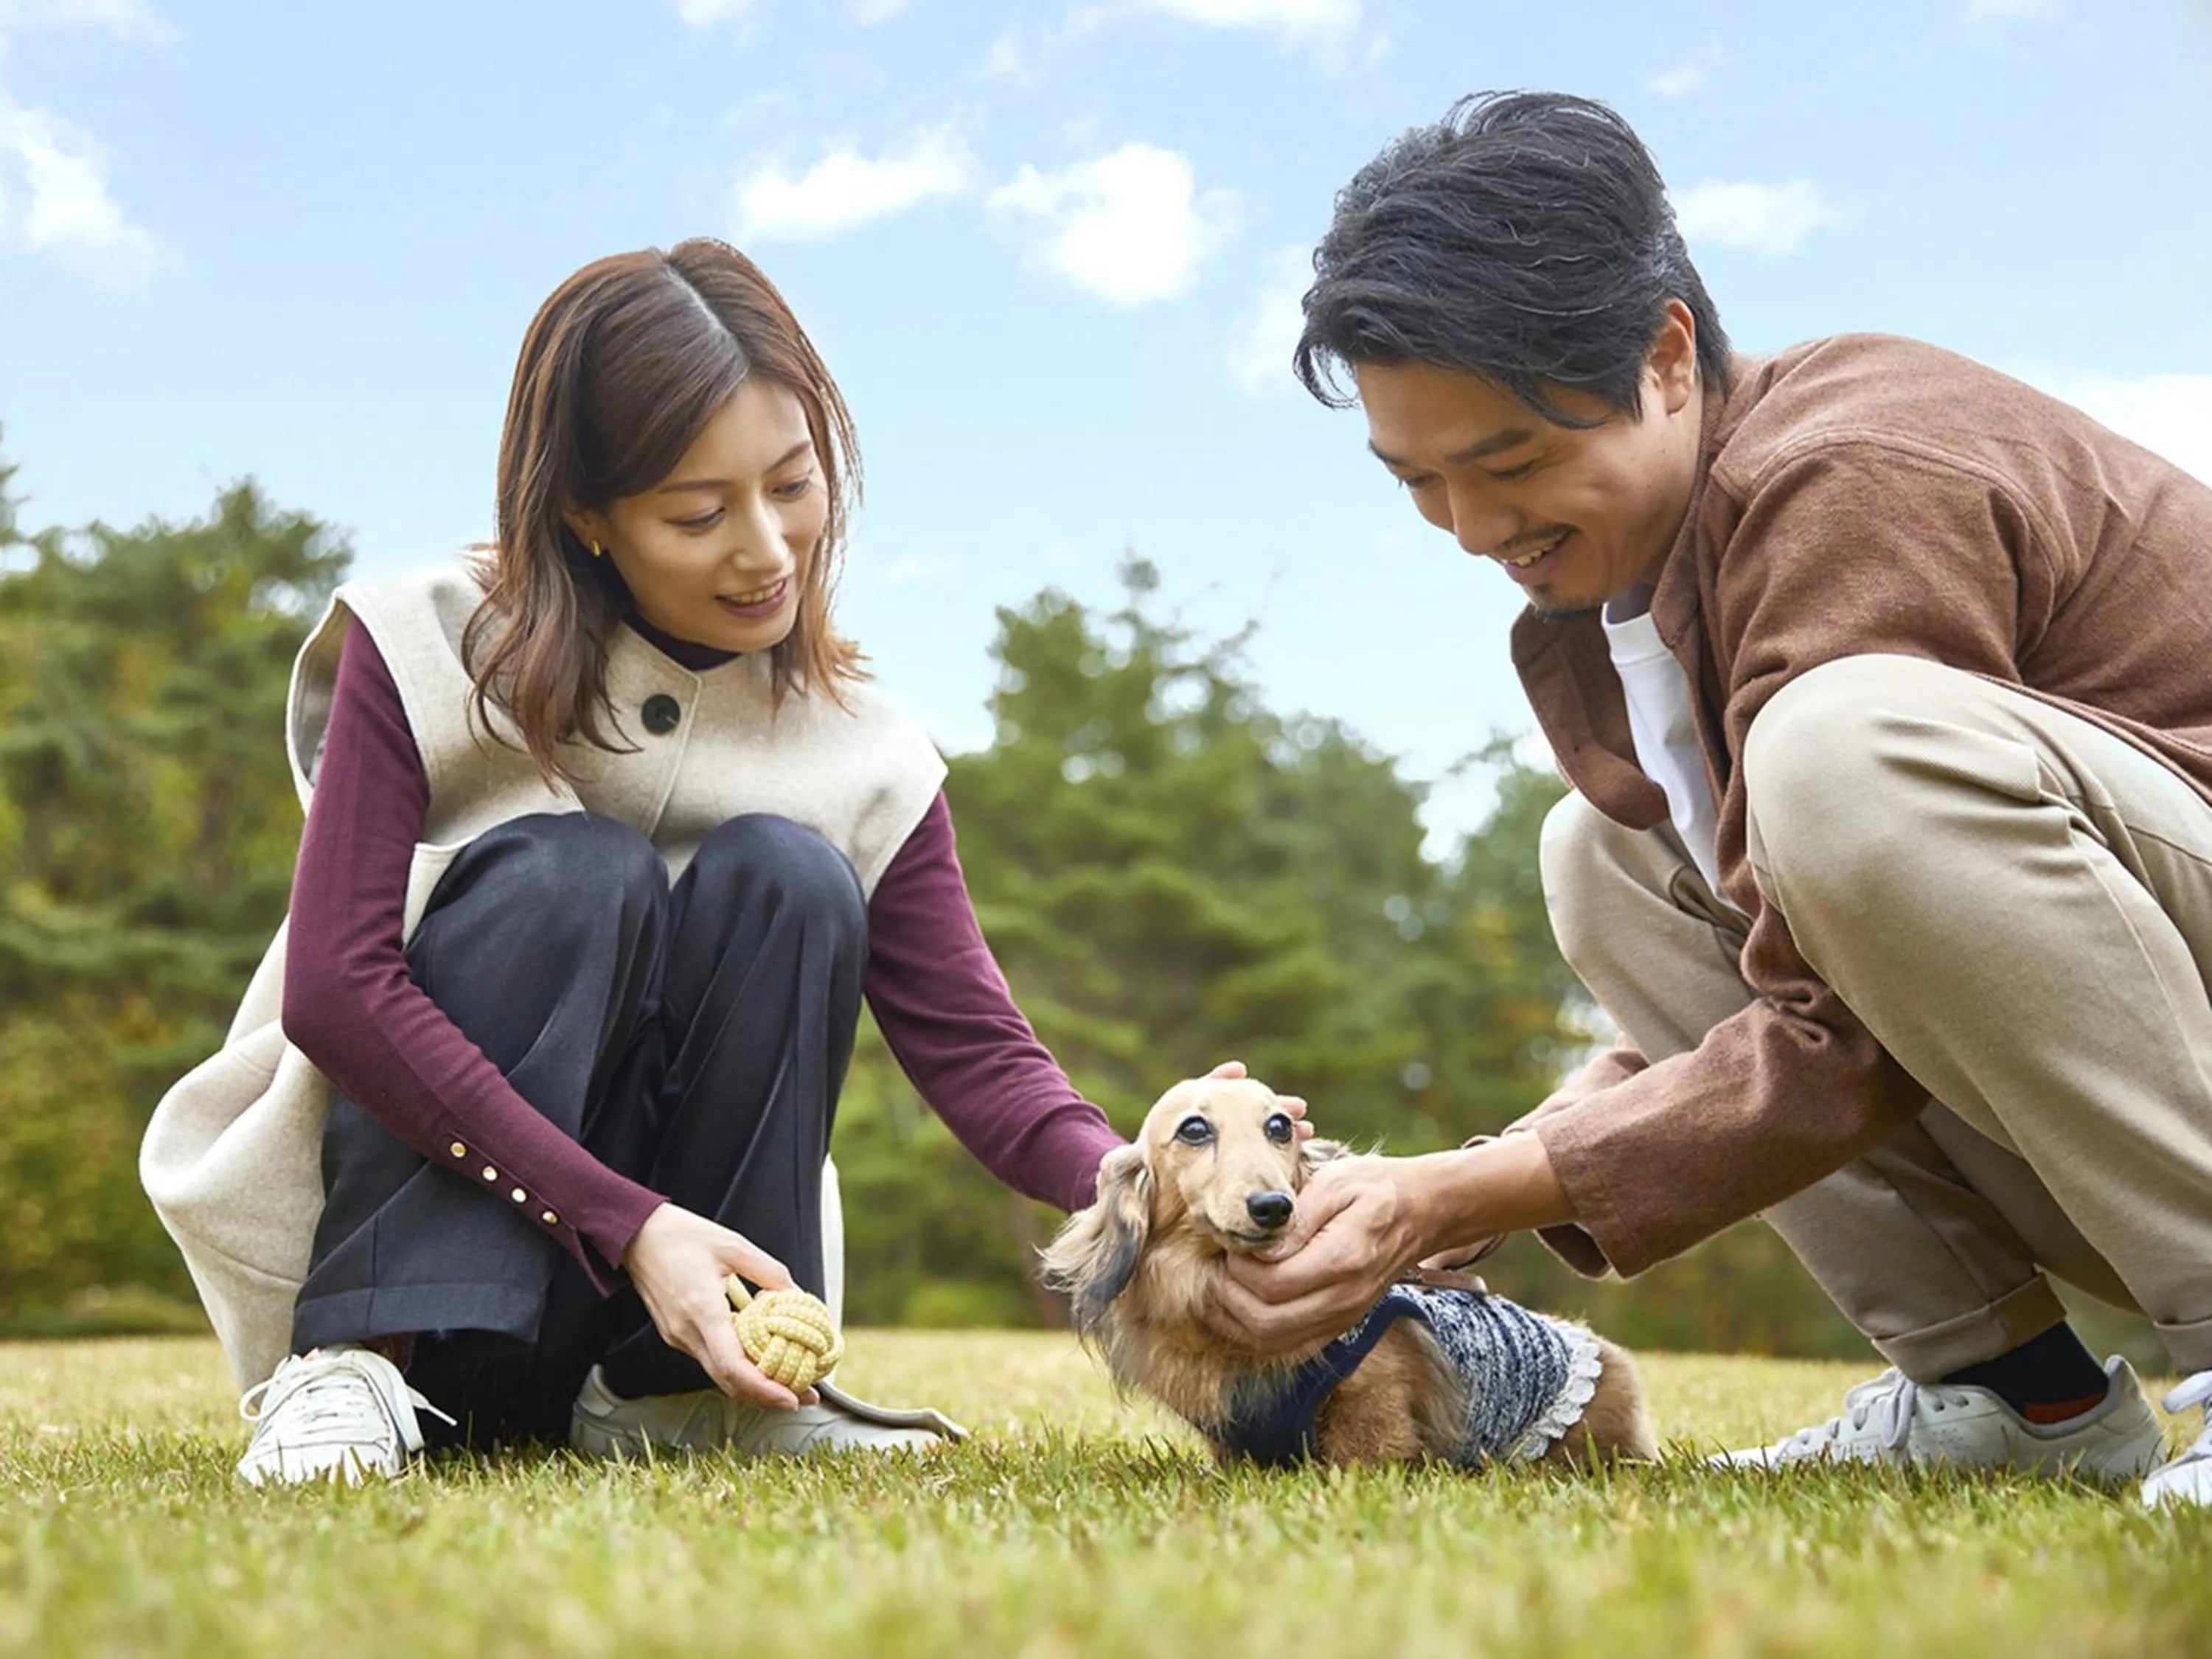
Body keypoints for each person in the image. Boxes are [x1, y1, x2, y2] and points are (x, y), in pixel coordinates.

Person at [139, 237, 1283, 1485]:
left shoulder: (862, 747)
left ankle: (681, 1395)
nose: (769, 550)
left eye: (793, 485)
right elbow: (337, 988)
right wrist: (630, 1224)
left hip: (676, 1317)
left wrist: (1153, 1174)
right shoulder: (429, 639)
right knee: (580, 873)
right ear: (584, 513)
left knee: (787, 874)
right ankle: (355, 1365)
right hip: (428, 1300)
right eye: (699, 512)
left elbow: (980, 1052)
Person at [1209, 90, 2212, 1509]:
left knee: (1842, 757)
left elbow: (1835, 1024)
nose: (1478, 531)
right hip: (2133, 1052)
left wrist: (1471, 1191)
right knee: (1602, 855)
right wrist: (1475, 1175)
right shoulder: (1642, 579)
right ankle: (2013, 1394)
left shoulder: (1853, 476)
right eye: (1421, 481)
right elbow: (1802, 977)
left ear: (1668, 356)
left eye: (1512, 462)